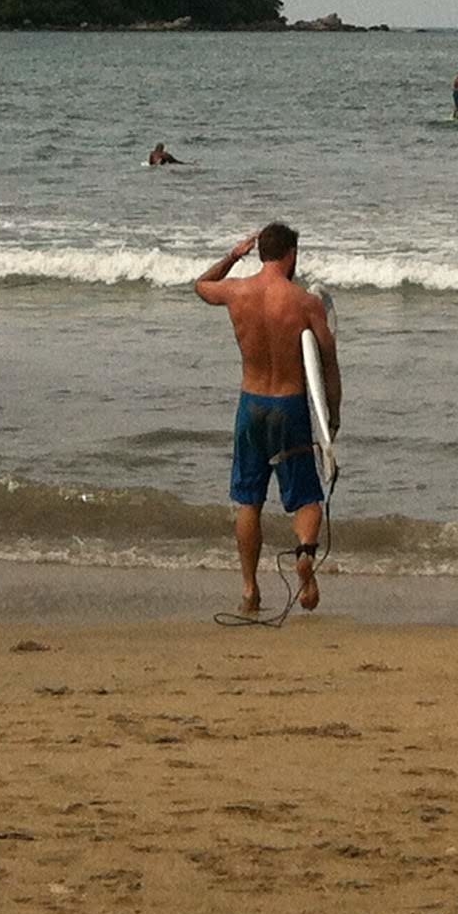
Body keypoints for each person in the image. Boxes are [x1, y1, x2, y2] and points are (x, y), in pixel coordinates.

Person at [195, 222, 340, 617]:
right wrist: (332, 414)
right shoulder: (304, 303)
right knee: (307, 498)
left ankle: (249, 591)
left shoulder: (237, 292)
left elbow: (200, 285)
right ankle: (305, 557)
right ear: (291, 254)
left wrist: (232, 256)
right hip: (289, 406)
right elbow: (328, 360)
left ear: (259, 252)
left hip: (250, 405)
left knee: (248, 501)